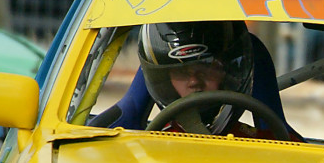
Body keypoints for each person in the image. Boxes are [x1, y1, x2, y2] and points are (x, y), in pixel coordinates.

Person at [92, 20, 298, 139]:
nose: (194, 81)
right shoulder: (137, 149)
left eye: (207, 68)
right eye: (181, 72)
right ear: (164, 78)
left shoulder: (274, 147)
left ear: (229, 71)